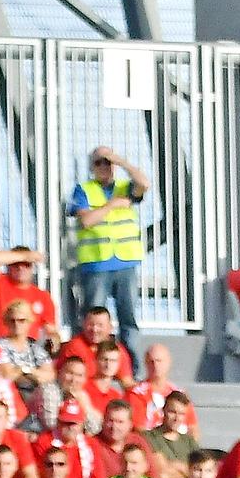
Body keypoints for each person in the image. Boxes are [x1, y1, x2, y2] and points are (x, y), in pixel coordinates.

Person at [64, 145, 150, 351]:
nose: (104, 166)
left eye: (108, 161)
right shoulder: (84, 189)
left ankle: (132, 367)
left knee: (128, 319)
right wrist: (112, 205)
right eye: (98, 162)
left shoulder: (124, 187)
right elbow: (86, 220)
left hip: (125, 263)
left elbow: (144, 183)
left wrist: (121, 160)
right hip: (96, 265)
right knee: (93, 321)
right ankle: (89, 362)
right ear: (92, 167)